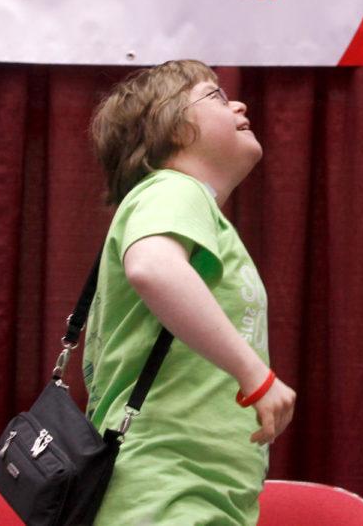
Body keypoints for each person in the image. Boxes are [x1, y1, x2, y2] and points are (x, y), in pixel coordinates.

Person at [83, 59, 296, 525]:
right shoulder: (174, 189)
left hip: (189, 491)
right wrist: (255, 375)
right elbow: (153, 267)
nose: (238, 104)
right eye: (216, 97)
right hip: (167, 494)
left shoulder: (180, 203)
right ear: (172, 128)